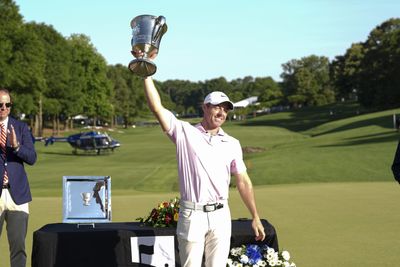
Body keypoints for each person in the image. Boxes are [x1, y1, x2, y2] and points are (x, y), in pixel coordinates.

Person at [133, 52, 266, 266]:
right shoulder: (185, 132)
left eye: (225, 108)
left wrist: (255, 215)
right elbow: (157, 108)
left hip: (221, 214)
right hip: (192, 214)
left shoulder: (232, 143)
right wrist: (145, 73)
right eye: (216, 106)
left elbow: (243, 181)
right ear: (204, 108)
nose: (221, 112)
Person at [0, 88, 37, 267]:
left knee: (18, 248)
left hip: (18, 197)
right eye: (0, 104)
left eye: (7, 104)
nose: (4, 108)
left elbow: (32, 158)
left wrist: (16, 147)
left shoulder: (21, 127)